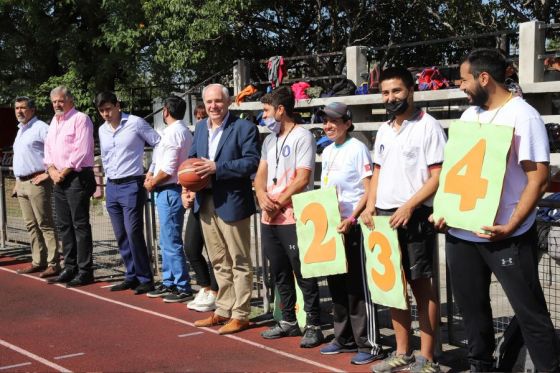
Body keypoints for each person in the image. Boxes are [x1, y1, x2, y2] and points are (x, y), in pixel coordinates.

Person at [435, 48, 560, 372]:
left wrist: (512, 224)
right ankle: (481, 366)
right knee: (472, 311)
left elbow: (538, 178)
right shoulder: (468, 117)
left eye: (464, 80)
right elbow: (453, 172)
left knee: (530, 312)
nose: (460, 86)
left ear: (484, 78)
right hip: (462, 232)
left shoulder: (523, 116)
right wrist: (444, 210)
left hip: (507, 235)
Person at [360, 67, 446, 373]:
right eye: (385, 92)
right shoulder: (384, 129)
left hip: (415, 215)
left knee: (422, 287)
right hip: (383, 219)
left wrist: (410, 206)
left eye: (396, 91)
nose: (390, 97)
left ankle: (428, 357)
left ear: (410, 90)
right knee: (392, 288)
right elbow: (378, 172)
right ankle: (402, 351)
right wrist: (369, 206)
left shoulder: (429, 126)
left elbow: (437, 177)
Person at [254, 86, 324, 348]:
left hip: (293, 215)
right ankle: (288, 321)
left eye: (266, 111)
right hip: (269, 216)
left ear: (281, 110)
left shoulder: (303, 136)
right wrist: (261, 195)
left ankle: (314, 324)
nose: (264, 116)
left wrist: (278, 202)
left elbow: (303, 177)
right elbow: (261, 173)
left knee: (302, 270)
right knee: (279, 270)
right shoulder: (269, 140)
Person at [188, 83, 259, 335]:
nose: (213, 106)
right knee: (219, 260)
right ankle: (223, 308)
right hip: (205, 201)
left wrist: (218, 167)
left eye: (218, 101)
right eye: (209, 102)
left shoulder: (244, 127)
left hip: (232, 201)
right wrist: (187, 187)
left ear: (228, 102)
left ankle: (241, 314)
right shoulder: (199, 128)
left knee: (240, 260)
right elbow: (192, 159)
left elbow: (252, 161)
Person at [317, 102, 384, 365]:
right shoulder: (328, 150)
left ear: (347, 123)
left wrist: (353, 218)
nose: (328, 125)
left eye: (334, 121)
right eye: (325, 121)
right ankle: (342, 337)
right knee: (336, 284)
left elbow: (368, 190)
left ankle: (368, 342)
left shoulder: (357, 149)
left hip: (353, 226)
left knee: (357, 287)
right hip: (334, 226)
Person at [96, 92, 160, 295]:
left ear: (117, 106)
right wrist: (106, 178)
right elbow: (105, 156)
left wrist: (152, 169)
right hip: (112, 185)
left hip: (132, 183)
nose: (105, 114)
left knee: (133, 232)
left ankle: (145, 278)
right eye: (101, 110)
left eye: (108, 109)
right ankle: (131, 275)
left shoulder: (136, 123)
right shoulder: (102, 130)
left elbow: (158, 142)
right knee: (120, 233)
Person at [45, 86, 96, 287]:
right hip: (58, 177)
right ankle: (70, 266)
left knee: (79, 224)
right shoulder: (54, 122)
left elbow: (81, 150)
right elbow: (48, 149)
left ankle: (85, 271)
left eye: (61, 101)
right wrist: (51, 170)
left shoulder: (81, 119)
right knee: (64, 225)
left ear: (70, 100)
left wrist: (63, 172)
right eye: (55, 101)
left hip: (76, 176)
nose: (58, 104)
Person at [144, 95, 193, 303]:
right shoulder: (175, 131)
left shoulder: (174, 133)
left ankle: (181, 285)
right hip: (165, 188)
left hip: (170, 188)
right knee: (166, 238)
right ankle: (170, 280)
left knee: (170, 238)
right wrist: (151, 174)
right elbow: (159, 160)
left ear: (165, 111)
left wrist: (153, 180)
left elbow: (170, 167)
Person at [12, 96, 60, 278]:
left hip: (37, 181)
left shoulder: (41, 128)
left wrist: (48, 174)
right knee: (31, 224)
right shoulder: (21, 130)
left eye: (23, 108)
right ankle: (37, 261)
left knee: (45, 223)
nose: (19, 111)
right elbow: (21, 157)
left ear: (32, 110)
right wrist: (17, 181)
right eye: (17, 108)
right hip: (22, 183)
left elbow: (56, 151)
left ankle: (54, 263)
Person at [182, 104, 219, 312]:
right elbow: (189, 163)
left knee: (216, 251)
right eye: (197, 116)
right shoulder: (200, 131)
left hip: (216, 198)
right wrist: (185, 190)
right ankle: (205, 287)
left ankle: (215, 290)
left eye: (201, 116)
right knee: (191, 247)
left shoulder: (230, 131)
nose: (200, 118)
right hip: (198, 198)